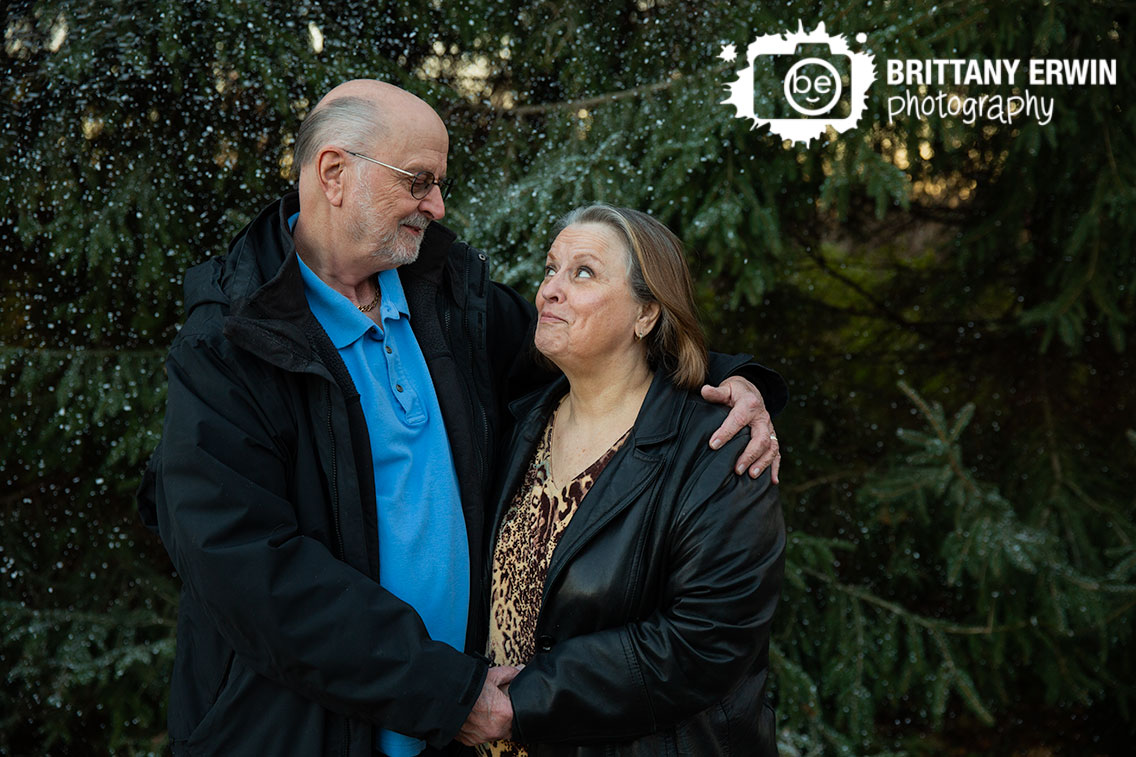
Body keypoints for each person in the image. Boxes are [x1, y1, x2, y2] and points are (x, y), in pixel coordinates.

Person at [136, 80, 787, 756]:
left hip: (458, 737)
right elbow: (251, 574)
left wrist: (733, 382)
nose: (437, 206)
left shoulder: (447, 295)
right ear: (334, 173)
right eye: (419, 181)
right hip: (303, 734)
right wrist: (445, 690)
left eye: (439, 183)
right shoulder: (227, 347)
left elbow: (602, 357)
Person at [473, 205, 785, 756]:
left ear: (646, 314)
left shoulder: (717, 449)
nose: (549, 290)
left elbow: (706, 643)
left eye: (583, 272)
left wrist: (525, 703)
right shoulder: (517, 425)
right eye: (551, 269)